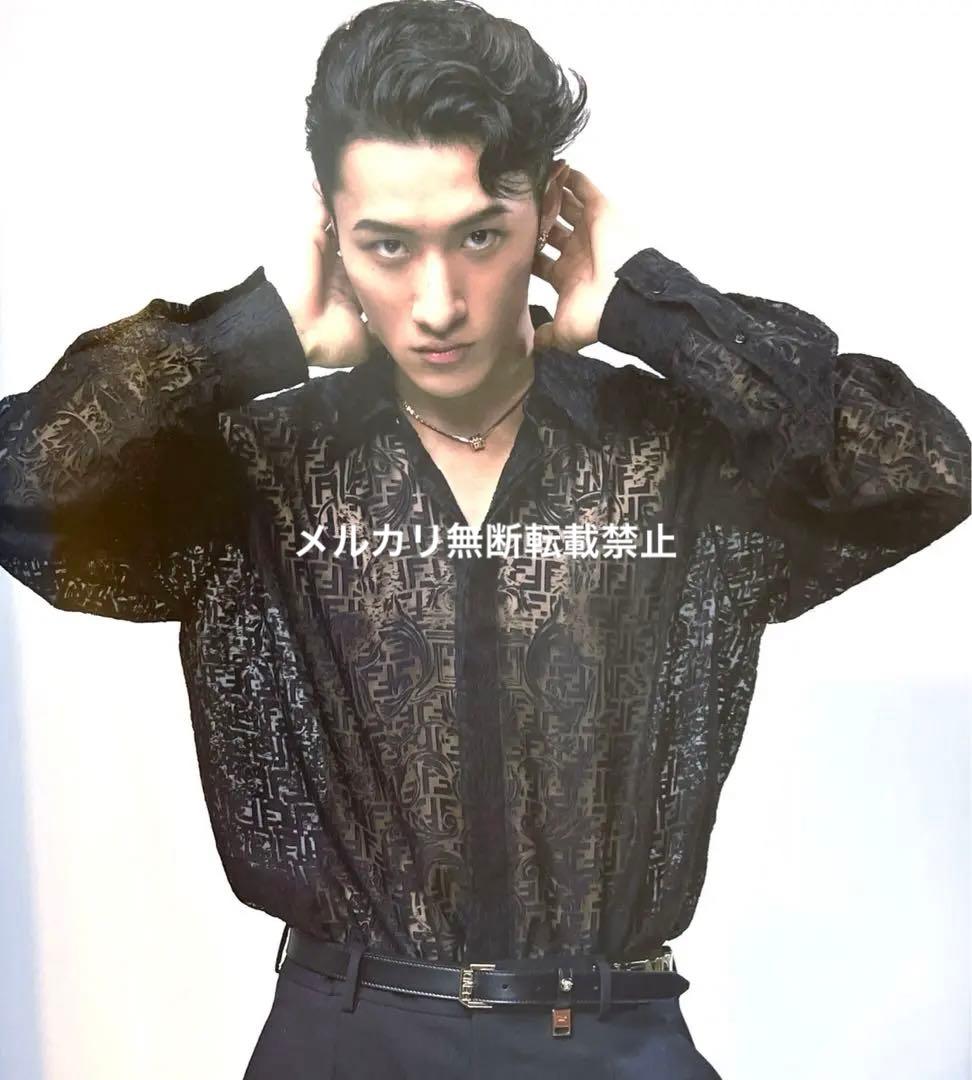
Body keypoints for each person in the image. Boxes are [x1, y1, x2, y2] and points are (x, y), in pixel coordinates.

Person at [0, 1, 968, 1076]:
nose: (437, 304)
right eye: (387, 245)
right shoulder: (256, 472)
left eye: (478, 236)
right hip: (345, 1041)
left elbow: (922, 470)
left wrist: (652, 307)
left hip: (612, 1041)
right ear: (331, 229)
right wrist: (252, 332)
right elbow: (20, 485)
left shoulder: (677, 459)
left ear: (548, 211)